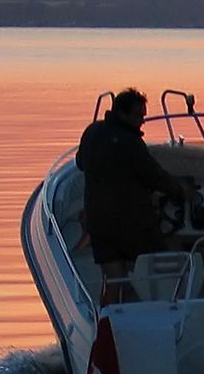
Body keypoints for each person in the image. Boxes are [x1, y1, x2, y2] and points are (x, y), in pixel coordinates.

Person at [77, 88, 194, 299]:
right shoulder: (131, 143)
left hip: (99, 222)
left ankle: (107, 321)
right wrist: (182, 191)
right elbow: (155, 177)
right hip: (131, 225)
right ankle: (166, 308)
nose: (142, 121)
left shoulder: (91, 132)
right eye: (139, 115)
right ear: (122, 114)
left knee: (113, 280)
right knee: (168, 259)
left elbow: (80, 162)